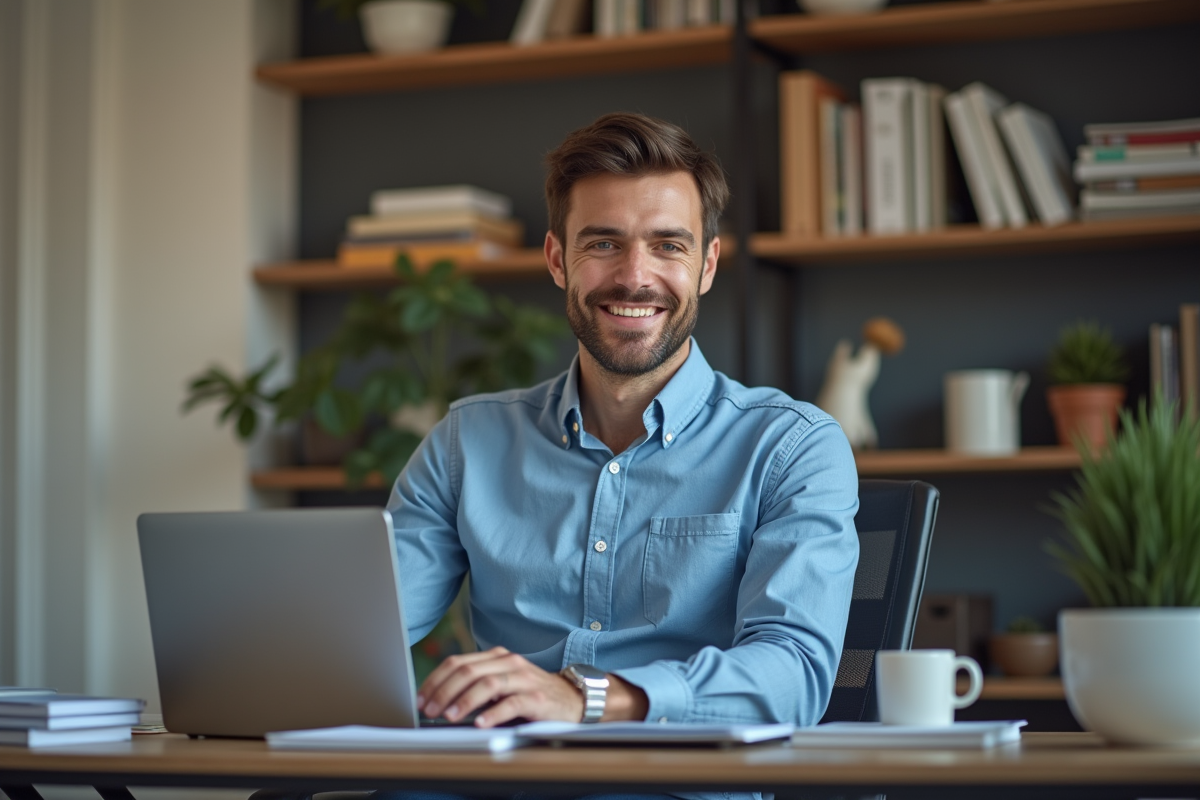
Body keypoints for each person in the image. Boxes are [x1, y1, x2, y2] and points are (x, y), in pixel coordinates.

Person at [386, 112, 859, 731]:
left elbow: (794, 675)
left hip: (679, 782)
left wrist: (588, 699)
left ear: (707, 266)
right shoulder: (465, 445)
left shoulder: (792, 448)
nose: (635, 276)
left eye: (668, 245)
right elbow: (356, 633)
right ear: (558, 260)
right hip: (497, 779)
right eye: (603, 243)